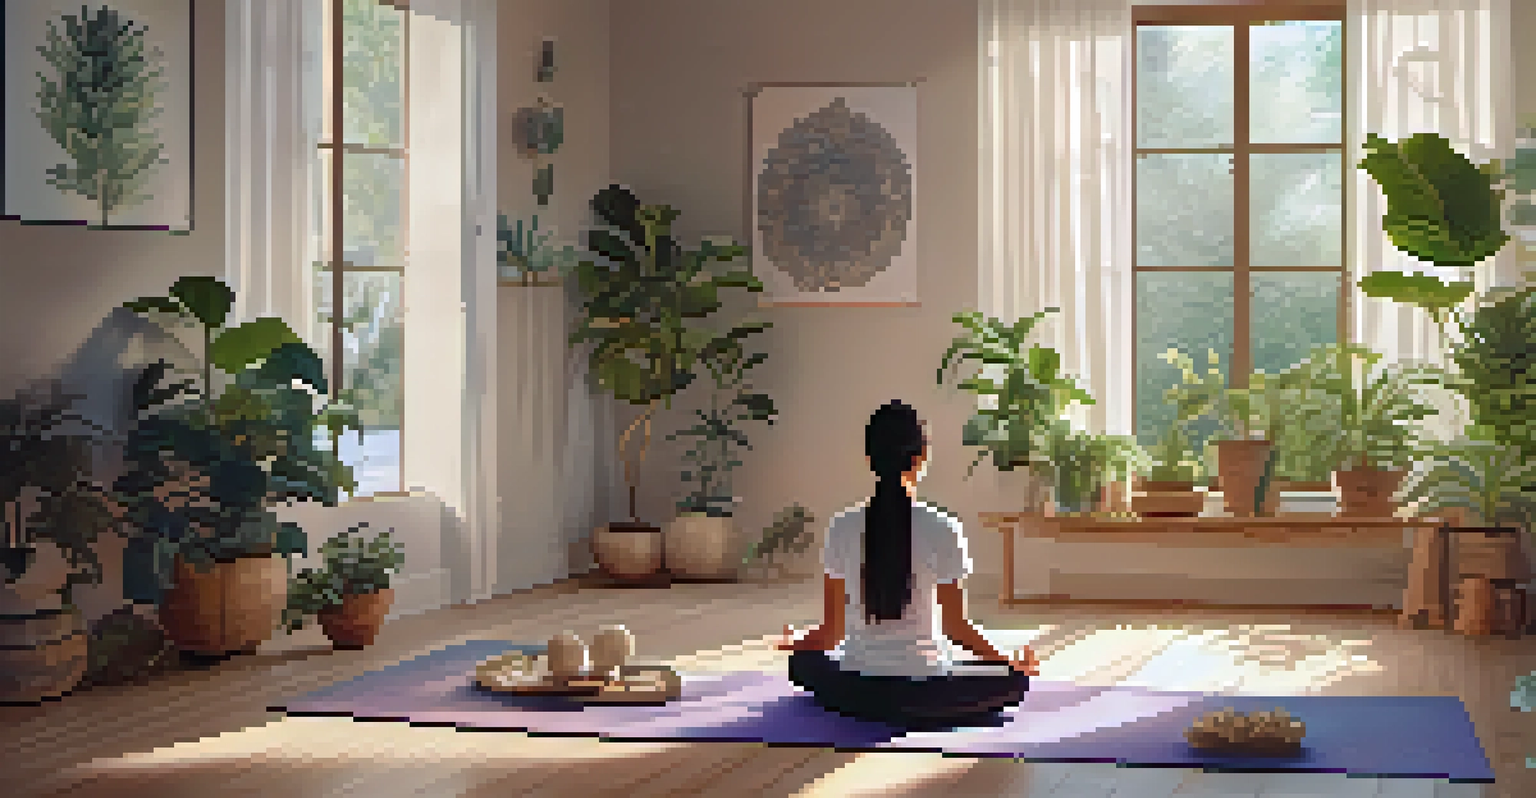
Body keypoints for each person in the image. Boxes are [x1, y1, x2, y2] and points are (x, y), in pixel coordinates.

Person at [777, 400, 1039, 727]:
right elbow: (956, 629)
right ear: (921, 458)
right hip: (924, 694)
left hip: (856, 690)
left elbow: (831, 634)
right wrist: (1010, 661)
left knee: (801, 664)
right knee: (1014, 683)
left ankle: (867, 702)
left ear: (869, 459)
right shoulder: (943, 527)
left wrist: (799, 642)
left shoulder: (841, 526)